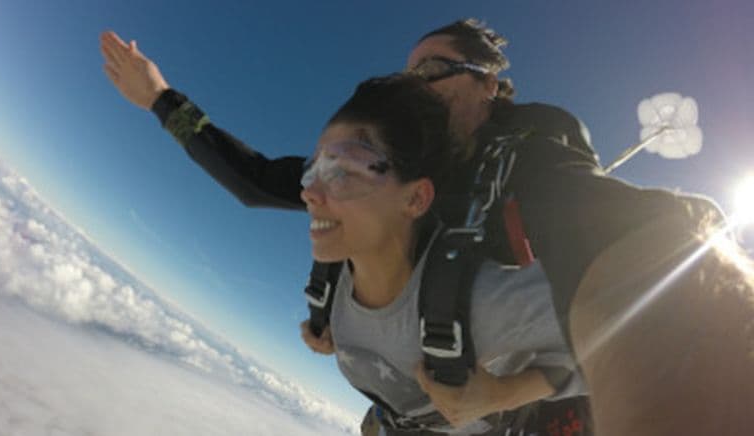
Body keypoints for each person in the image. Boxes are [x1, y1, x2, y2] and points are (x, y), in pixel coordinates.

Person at [100, 18, 754, 434]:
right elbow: (260, 181)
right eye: (409, 72)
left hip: (520, 396)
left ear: (490, 85)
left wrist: (499, 393)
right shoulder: (390, 159)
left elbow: (623, 252)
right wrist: (163, 100)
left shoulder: (529, 147)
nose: (415, 85)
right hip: (409, 398)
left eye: (432, 71)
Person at [300, 73, 586, 435]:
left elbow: (637, 333)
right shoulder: (329, 282)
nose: (310, 191)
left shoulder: (481, 302)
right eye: (312, 169)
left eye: (344, 167)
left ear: (416, 198)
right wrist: (331, 332)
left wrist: (508, 393)